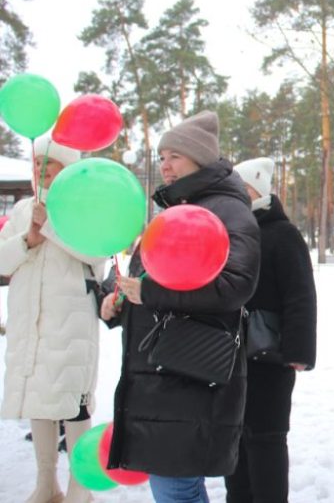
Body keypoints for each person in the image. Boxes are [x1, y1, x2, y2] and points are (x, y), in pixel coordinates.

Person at [99, 111, 261, 503]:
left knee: (176, 490)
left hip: (190, 376)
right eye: (162, 157)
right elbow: (149, 276)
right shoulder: (173, 212)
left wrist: (148, 294)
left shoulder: (227, 211)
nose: (165, 166)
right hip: (162, 376)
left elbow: (235, 286)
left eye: (175, 156)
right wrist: (117, 301)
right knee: (175, 488)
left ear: (200, 159)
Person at [0, 135, 106, 503]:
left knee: (73, 404)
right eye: (37, 164)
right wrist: (28, 237)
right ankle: (46, 482)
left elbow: (97, 254)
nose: (41, 171)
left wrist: (50, 226)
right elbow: (2, 261)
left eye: (51, 165)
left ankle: (81, 484)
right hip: (29, 321)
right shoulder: (22, 210)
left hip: (70, 322)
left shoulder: (83, 206)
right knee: (38, 402)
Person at [225, 157, 317, 503]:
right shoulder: (232, 231)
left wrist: (298, 353)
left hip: (271, 356)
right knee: (234, 441)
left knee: (266, 440)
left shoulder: (283, 234)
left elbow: (301, 297)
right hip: (231, 357)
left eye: (238, 188)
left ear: (254, 191)